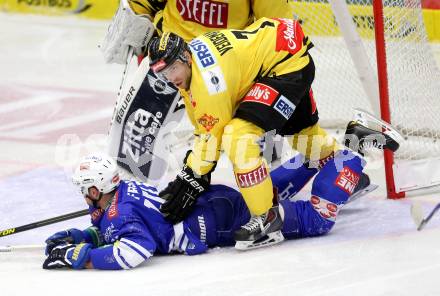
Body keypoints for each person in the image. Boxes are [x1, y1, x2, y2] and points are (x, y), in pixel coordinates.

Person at [147, 17, 360, 248]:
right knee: (304, 139)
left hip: (285, 68)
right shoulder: (192, 64)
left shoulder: (208, 82)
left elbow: (212, 138)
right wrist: (194, 172)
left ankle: (267, 219)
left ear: (185, 57)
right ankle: (347, 168)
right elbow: (203, 127)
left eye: (173, 69)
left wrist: (191, 176)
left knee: (238, 137)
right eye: (163, 73)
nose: (170, 77)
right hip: (282, 52)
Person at [42, 150, 367, 270]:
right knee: (264, 196)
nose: (84, 197)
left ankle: (352, 156)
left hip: (221, 222)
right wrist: (85, 234)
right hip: (215, 204)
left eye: (86, 191)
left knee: (318, 220)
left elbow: (134, 251)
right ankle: (326, 159)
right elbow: (123, 227)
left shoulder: (118, 212)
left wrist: (81, 257)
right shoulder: (124, 191)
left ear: (97, 189)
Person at [101, 0, 296, 64]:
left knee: (243, 145)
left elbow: (278, 27)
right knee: (134, 145)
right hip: (167, 56)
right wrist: (136, 22)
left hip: (228, 64)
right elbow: (142, 4)